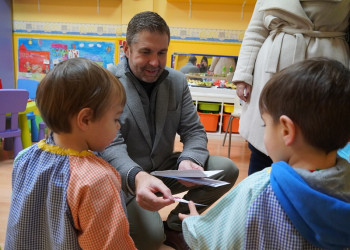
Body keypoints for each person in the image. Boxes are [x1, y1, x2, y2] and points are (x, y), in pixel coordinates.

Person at [101, 11, 239, 250]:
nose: (155, 62)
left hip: (165, 169)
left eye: (162, 52)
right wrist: (137, 176)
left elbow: (194, 131)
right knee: (151, 240)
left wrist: (189, 160)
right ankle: (145, 224)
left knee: (226, 170)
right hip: (127, 181)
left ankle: (175, 226)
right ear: (126, 49)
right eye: (146, 52)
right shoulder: (106, 82)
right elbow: (109, 145)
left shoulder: (177, 81)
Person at [180, 58, 350, 249]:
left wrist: (193, 223)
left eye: (265, 123)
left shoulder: (258, 189)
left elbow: (211, 240)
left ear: (286, 130)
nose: (264, 130)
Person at [5, 58, 136, 250]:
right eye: (115, 118)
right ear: (85, 119)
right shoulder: (96, 180)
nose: (119, 125)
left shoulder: (24, 158)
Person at [233, 0, 350, 175]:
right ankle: (259, 193)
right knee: (265, 139)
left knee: (321, 143)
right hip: (272, 71)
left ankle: (314, 197)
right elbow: (256, 29)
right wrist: (243, 75)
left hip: (327, 71)